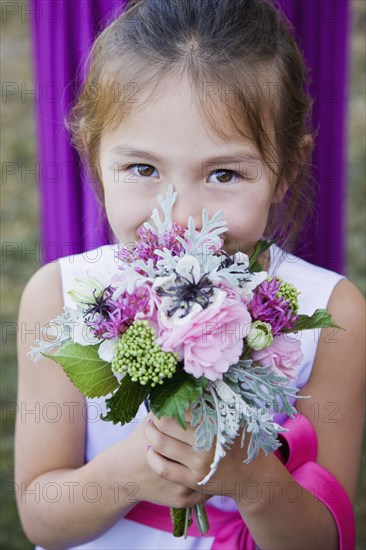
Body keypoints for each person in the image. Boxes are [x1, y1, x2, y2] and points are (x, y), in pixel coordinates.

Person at [15, 0, 364, 548]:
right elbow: (40, 517)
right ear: (93, 157)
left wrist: (251, 479)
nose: (180, 216)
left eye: (224, 173)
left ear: (287, 169)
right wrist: (133, 471)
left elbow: (324, 536)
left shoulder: (332, 314)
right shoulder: (59, 298)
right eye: (143, 169)